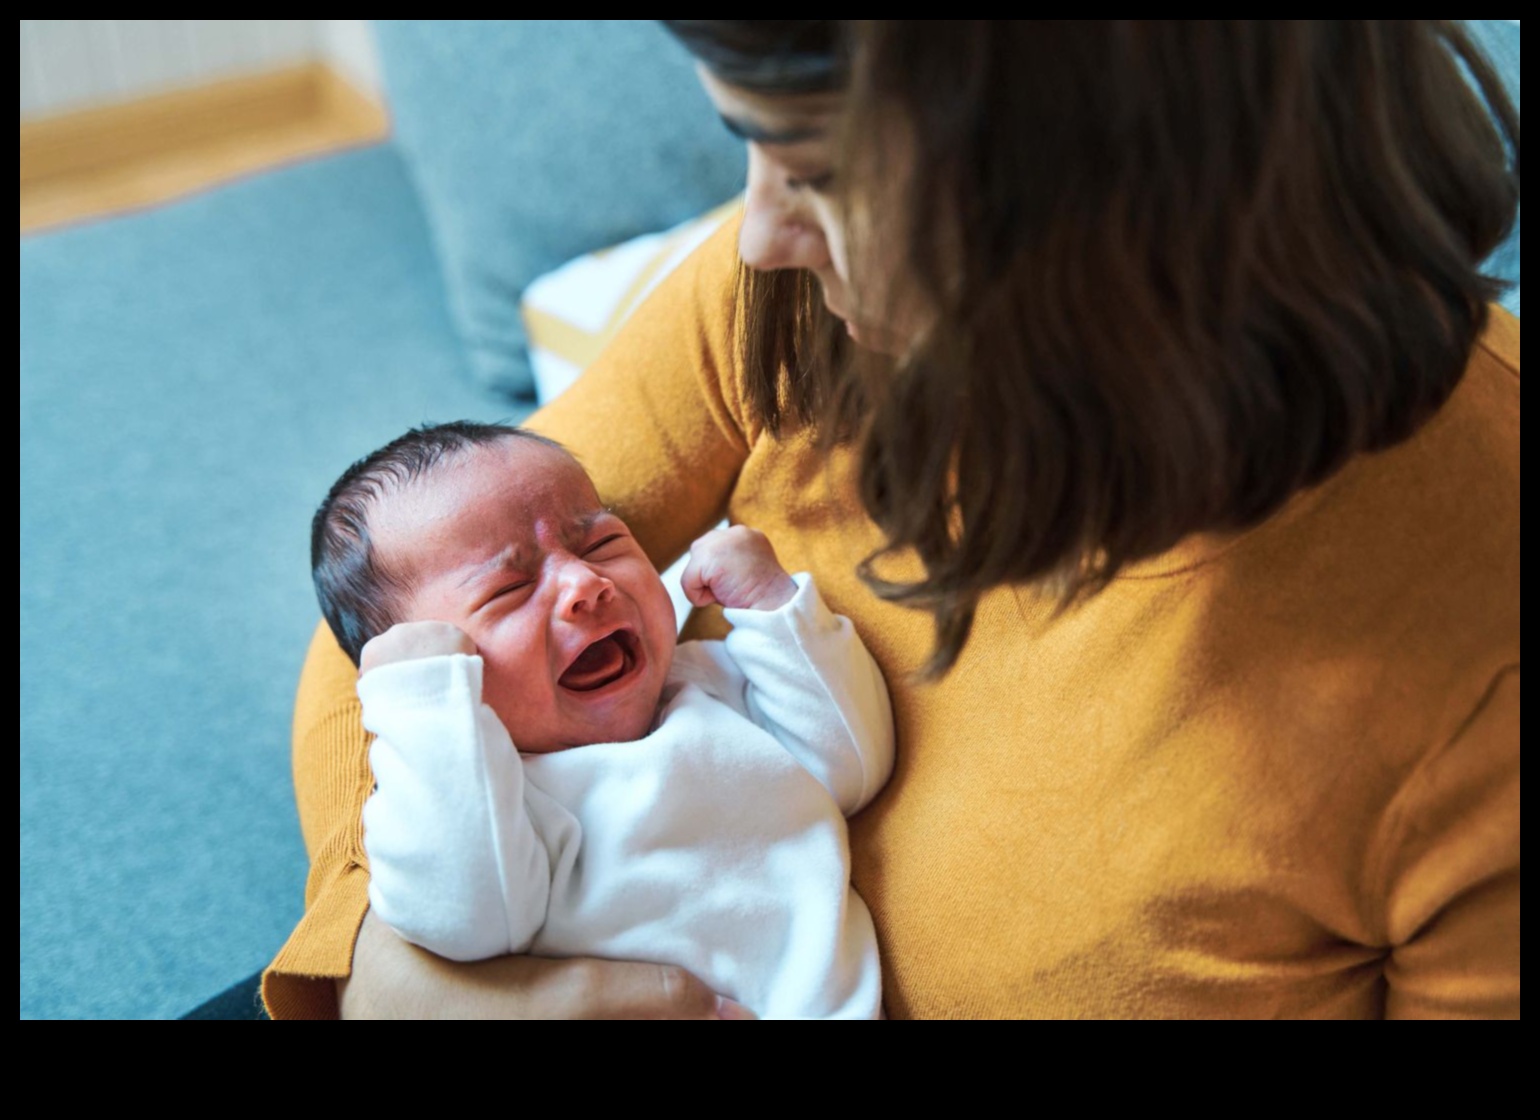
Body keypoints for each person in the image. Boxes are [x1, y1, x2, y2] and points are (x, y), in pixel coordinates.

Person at [265, 21, 1519, 1019]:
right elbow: (394, 610)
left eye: (817, 174)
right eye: (752, 148)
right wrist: (387, 967)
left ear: (1104, 208)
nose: (754, 232)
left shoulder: (1470, 692)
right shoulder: (792, 305)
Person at [311, 421, 892, 1018]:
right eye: (508, 587)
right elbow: (463, 919)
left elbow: (851, 764)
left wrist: (772, 604)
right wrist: (423, 708)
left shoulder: (713, 684)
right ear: (439, 663)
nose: (586, 584)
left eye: (601, 544)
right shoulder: (490, 803)